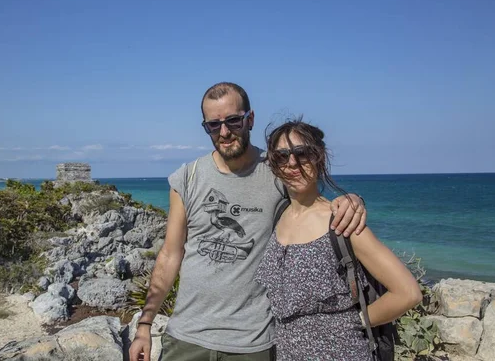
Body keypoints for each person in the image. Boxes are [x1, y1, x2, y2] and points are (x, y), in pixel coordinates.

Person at [129, 82, 367, 361]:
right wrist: (144, 325)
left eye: (233, 121)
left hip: (253, 343)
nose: (225, 132)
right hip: (187, 337)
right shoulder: (187, 178)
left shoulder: (277, 171)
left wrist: (351, 199)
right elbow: (170, 254)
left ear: (249, 119)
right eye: (213, 125)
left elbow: (314, 203)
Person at [253, 118, 423, 360]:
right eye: (282, 156)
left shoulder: (342, 222)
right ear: (273, 164)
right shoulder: (279, 213)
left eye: (302, 153)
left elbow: (408, 292)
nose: (292, 163)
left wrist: (355, 321)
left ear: (318, 157)